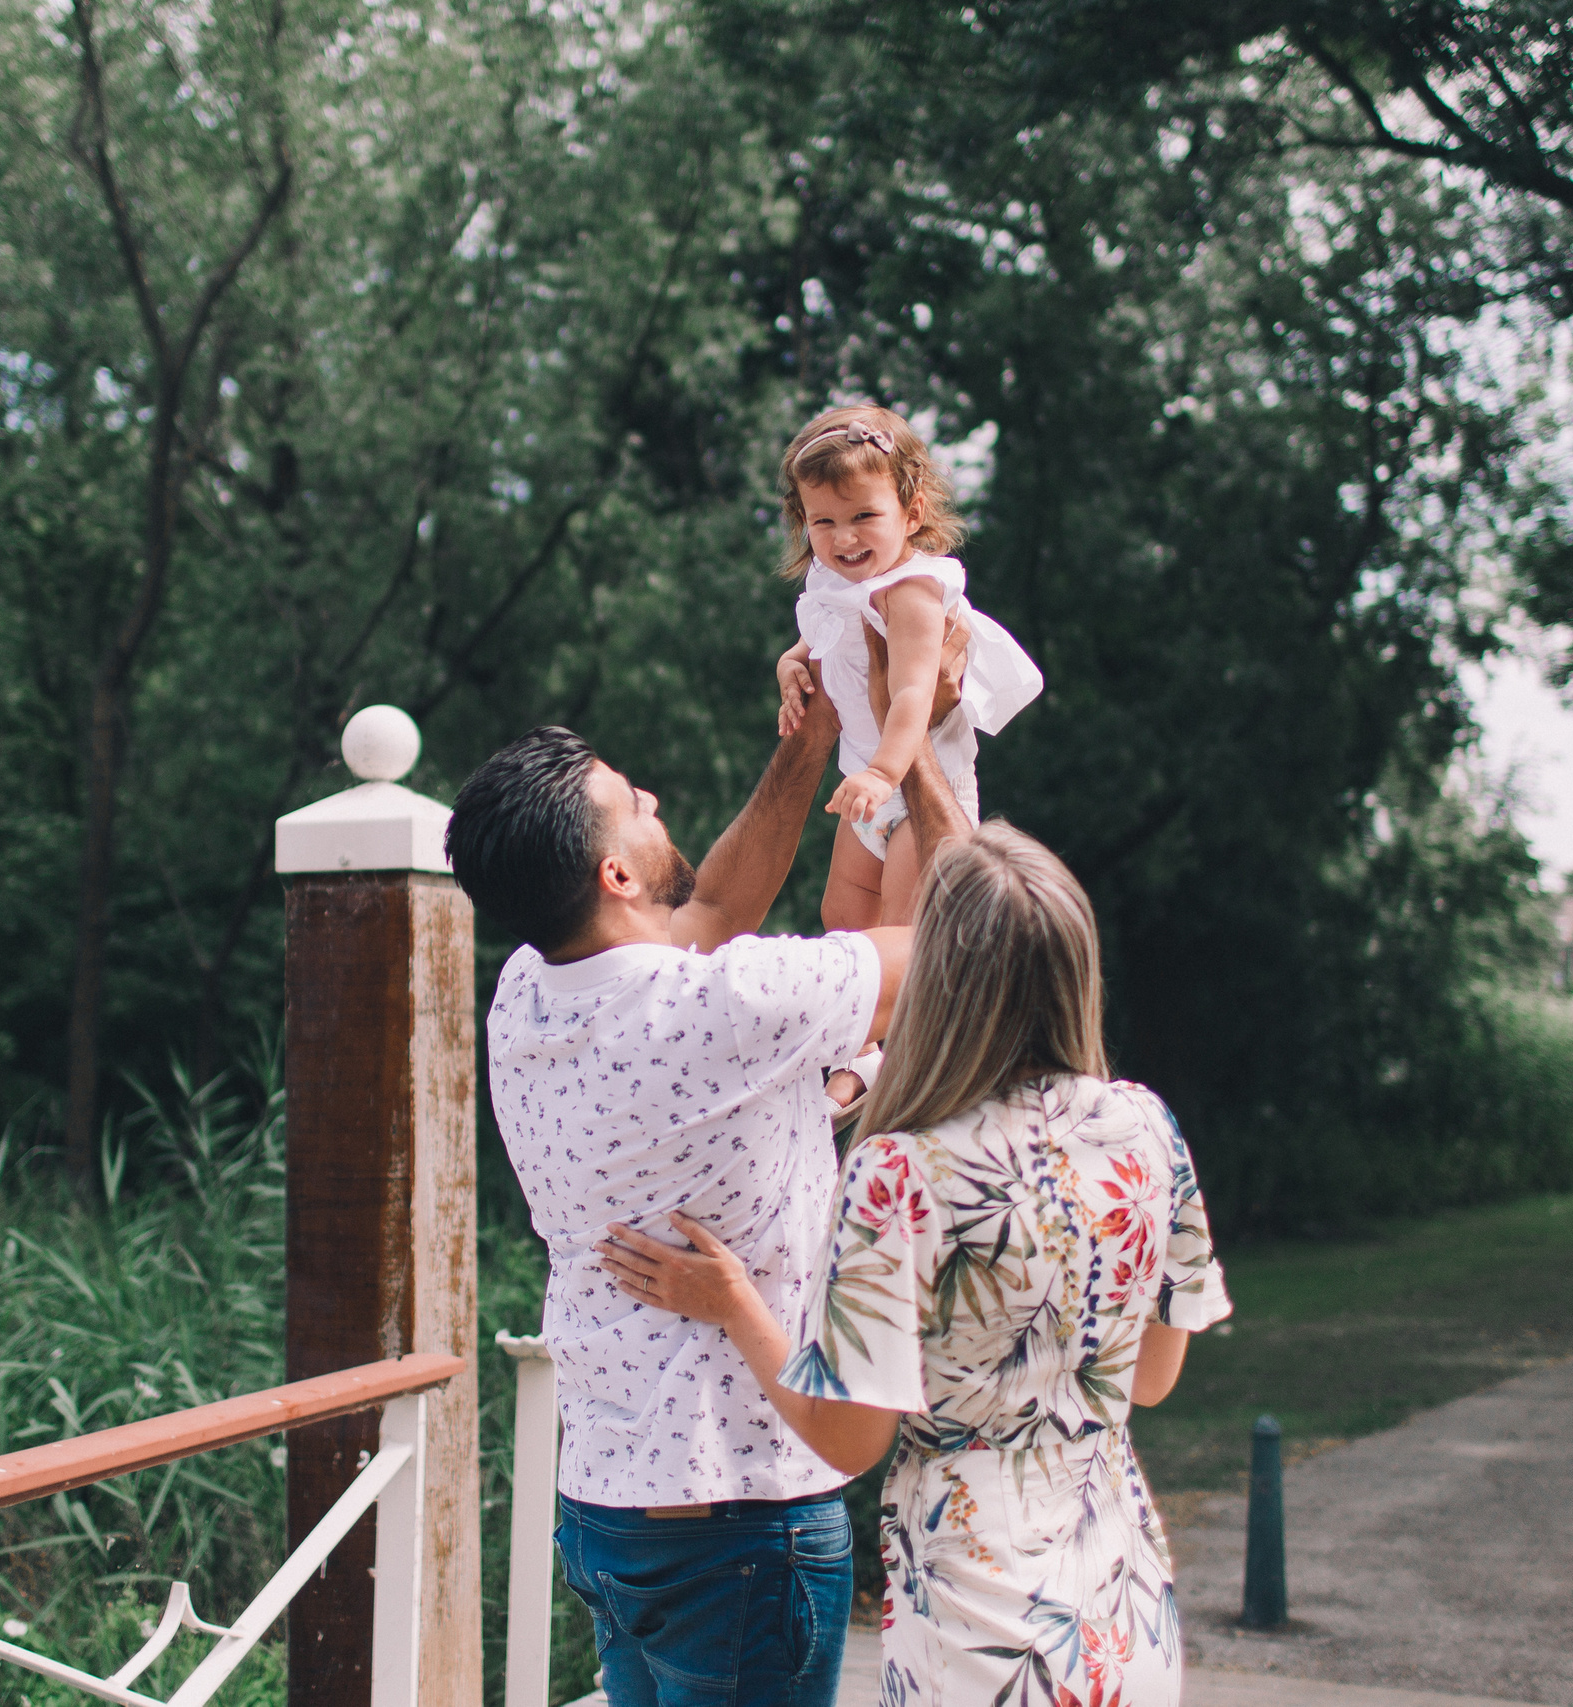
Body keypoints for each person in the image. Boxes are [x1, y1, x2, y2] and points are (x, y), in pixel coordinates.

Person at [443, 635, 974, 1707]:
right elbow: (973, 933)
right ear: (617, 872)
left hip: (605, 1505)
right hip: (740, 1513)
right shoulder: (728, 1003)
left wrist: (816, 735)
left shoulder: (526, 996)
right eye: (627, 802)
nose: (648, 794)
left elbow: (709, 911)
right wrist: (920, 744)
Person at [597, 824, 1232, 1705]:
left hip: (979, 1622)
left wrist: (736, 1302)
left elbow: (853, 1439)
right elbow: (1154, 1375)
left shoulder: (904, 1170)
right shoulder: (1143, 1127)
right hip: (1123, 1603)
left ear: (935, 979)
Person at [773, 405, 1042, 931]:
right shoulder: (840, 585)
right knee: (843, 918)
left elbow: (917, 691)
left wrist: (882, 773)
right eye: (823, 522)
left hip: (915, 780)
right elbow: (815, 640)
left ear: (912, 514)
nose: (843, 538)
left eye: (863, 517)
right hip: (865, 782)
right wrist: (790, 665)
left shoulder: (913, 594)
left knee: (904, 928)